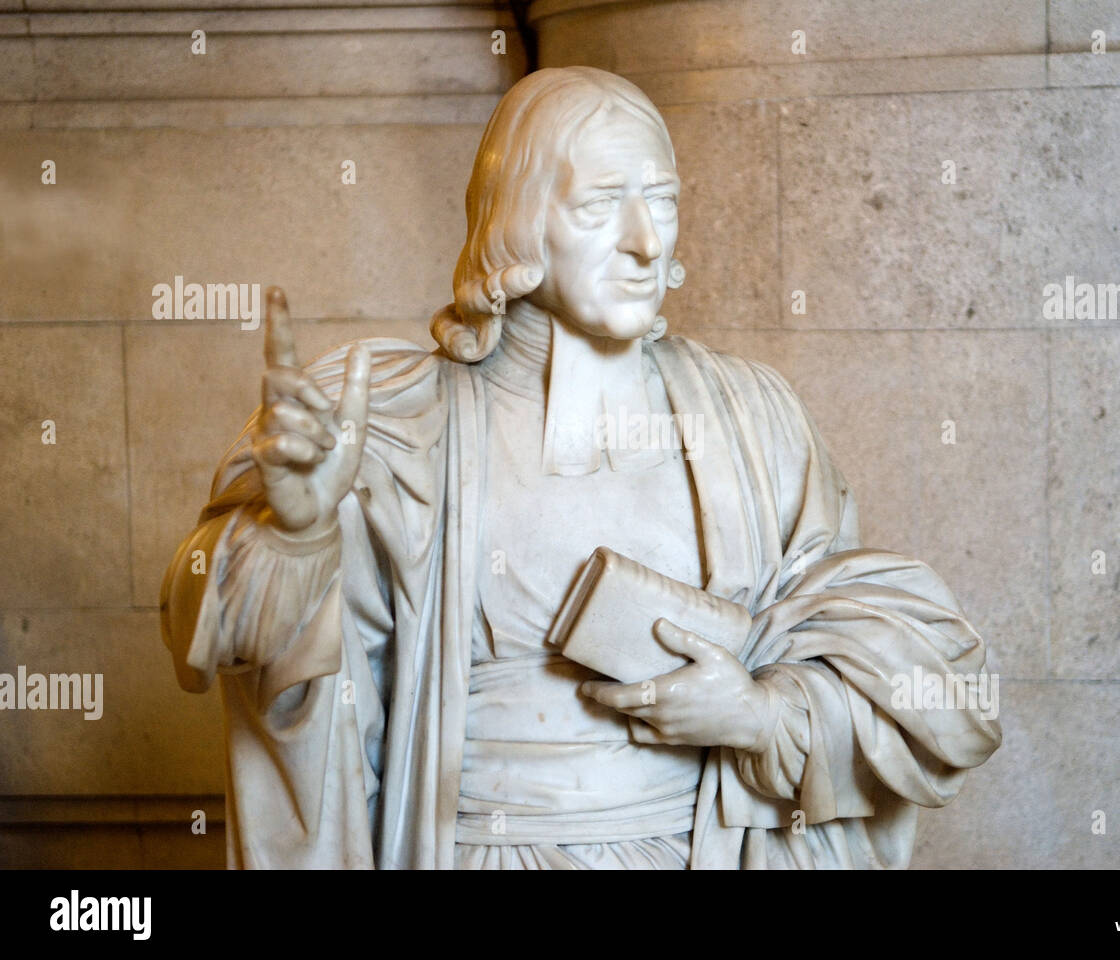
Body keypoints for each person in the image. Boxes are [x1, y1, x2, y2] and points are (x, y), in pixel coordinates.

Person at [161, 66, 1001, 869]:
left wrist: (760, 712)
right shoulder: (390, 416)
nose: (645, 242)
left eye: (663, 202)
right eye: (602, 205)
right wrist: (294, 539)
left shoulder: (752, 417)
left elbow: (881, 656)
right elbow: (218, 643)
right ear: (517, 219)